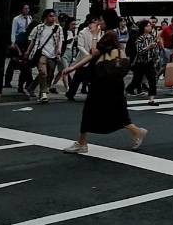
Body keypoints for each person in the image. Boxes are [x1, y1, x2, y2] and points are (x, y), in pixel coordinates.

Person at [62, 11, 148, 154]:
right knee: (114, 109)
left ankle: (82, 143)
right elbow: (93, 55)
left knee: (93, 109)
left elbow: (93, 52)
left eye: (101, 20)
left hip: (106, 81)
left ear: (107, 21)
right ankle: (136, 131)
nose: (99, 23)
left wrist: (95, 35)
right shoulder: (111, 34)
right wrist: (73, 68)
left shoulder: (109, 35)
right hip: (109, 80)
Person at [26, 9, 63, 103]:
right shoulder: (39, 28)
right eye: (51, 16)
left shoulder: (58, 28)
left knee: (48, 74)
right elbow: (32, 40)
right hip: (41, 53)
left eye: (54, 16)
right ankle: (43, 93)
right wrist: (28, 51)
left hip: (53, 54)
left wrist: (59, 50)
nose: (53, 18)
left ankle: (31, 87)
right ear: (46, 17)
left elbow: (60, 40)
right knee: (43, 73)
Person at [66, 15, 102, 101]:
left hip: (95, 58)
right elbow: (80, 46)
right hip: (84, 58)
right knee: (78, 77)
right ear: (89, 23)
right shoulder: (83, 32)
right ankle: (71, 93)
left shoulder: (99, 32)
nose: (95, 24)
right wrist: (88, 55)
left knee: (94, 77)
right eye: (93, 22)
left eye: (96, 22)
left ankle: (93, 94)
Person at [126, 20, 160, 105]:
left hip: (150, 62)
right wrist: (148, 47)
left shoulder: (152, 37)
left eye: (150, 26)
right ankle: (128, 90)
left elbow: (155, 49)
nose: (149, 27)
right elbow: (139, 51)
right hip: (140, 62)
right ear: (143, 28)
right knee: (137, 80)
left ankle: (151, 99)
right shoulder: (139, 38)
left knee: (152, 80)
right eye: (147, 26)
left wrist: (156, 56)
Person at [6, 5, 34, 88]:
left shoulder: (30, 18)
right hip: (18, 41)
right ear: (22, 9)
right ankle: (8, 81)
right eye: (25, 8)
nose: (26, 10)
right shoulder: (16, 19)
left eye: (28, 8)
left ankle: (27, 82)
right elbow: (13, 31)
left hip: (26, 42)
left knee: (25, 63)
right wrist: (13, 42)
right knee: (13, 62)